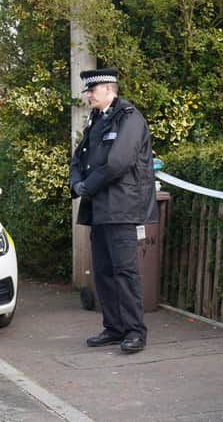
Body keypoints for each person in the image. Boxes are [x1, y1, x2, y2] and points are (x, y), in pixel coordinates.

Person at [70, 68, 158, 354]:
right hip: (99, 208)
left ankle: (134, 331)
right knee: (104, 271)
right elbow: (79, 157)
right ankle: (114, 327)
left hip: (122, 207)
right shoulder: (96, 119)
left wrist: (88, 186)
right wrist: (76, 184)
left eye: (93, 90)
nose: (89, 95)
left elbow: (118, 162)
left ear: (109, 89)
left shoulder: (129, 117)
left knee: (125, 271)